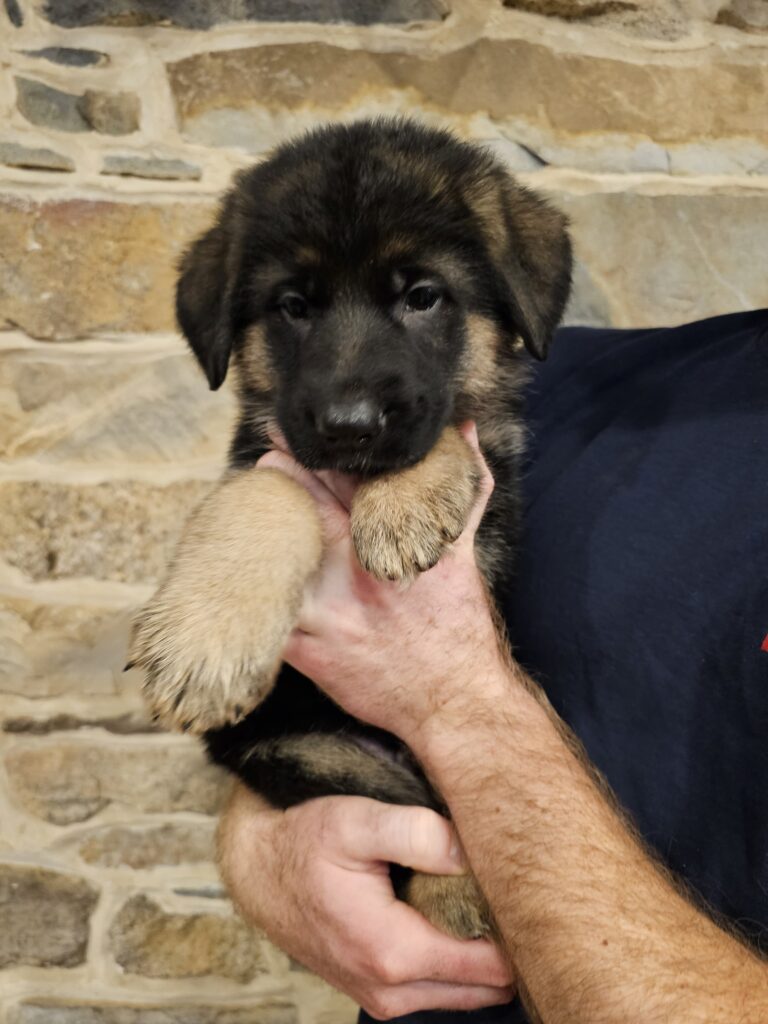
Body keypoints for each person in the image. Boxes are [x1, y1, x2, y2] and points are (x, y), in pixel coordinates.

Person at [218, 309, 768, 1023]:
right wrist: (269, 847)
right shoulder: (561, 375)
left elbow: (413, 668)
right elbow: (340, 660)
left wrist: (452, 701)